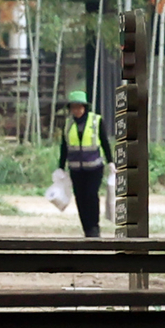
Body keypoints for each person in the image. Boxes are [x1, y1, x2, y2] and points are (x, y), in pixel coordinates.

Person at [55, 85, 108, 237]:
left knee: (91, 195)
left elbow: (104, 142)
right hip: (76, 168)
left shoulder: (96, 121)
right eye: (74, 107)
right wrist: (61, 166)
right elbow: (64, 146)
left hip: (94, 167)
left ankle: (94, 227)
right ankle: (86, 228)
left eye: (79, 107)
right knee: (80, 197)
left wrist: (111, 162)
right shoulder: (68, 123)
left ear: (84, 107)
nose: (77, 110)